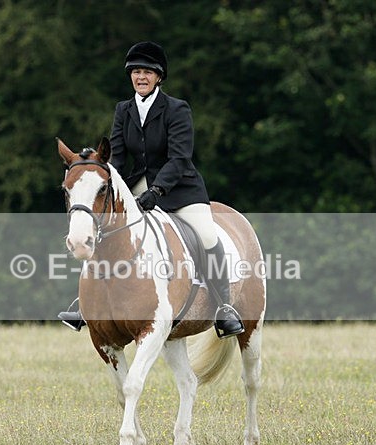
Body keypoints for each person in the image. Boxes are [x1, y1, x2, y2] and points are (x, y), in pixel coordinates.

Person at [59, 41, 244, 338]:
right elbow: (116, 157)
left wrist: (157, 191)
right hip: (138, 184)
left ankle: (224, 307)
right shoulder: (124, 110)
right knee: (103, 226)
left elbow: (180, 157)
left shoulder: (177, 109)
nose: (140, 77)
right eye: (135, 72)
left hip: (180, 187)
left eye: (146, 71)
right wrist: (111, 181)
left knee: (207, 235)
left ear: (159, 77)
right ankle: (87, 302)